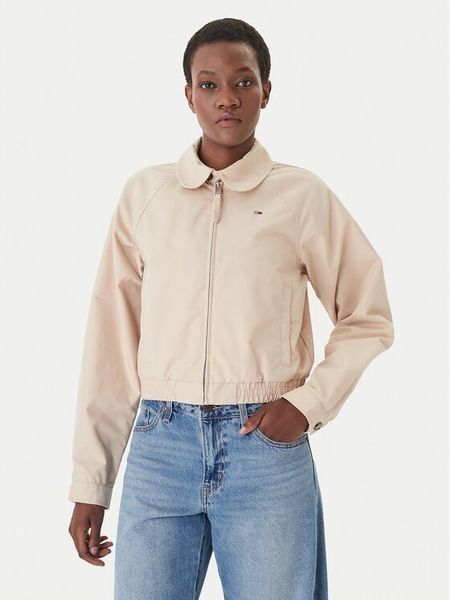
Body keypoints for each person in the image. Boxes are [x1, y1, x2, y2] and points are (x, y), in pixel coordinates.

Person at [67, 17, 395, 600]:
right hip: (160, 446)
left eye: (243, 82)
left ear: (266, 91)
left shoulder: (301, 196)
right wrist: (92, 481)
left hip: (264, 450)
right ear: (188, 94)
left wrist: (307, 405)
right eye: (209, 84)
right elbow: (112, 342)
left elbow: (367, 316)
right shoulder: (146, 196)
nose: (227, 98)